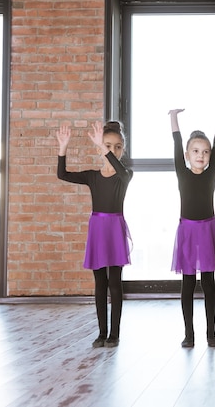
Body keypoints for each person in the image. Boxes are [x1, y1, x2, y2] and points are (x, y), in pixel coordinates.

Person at [56, 121, 133, 348]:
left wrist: (104, 149)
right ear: (99, 148)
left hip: (115, 230)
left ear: (123, 150)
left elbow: (119, 170)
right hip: (98, 230)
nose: (113, 150)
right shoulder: (92, 176)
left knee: (115, 283)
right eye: (108, 145)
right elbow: (62, 174)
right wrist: (63, 148)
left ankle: (114, 334)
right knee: (100, 283)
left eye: (118, 147)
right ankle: (102, 333)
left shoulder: (125, 175)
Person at [169, 107, 215, 348]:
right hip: (187, 231)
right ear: (187, 155)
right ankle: (188, 333)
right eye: (195, 151)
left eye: (205, 152)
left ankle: (211, 333)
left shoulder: (211, 172)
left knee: (209, 283)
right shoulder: (182, 172)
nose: (201, 155)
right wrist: (173, 118)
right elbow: (176, 142)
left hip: (206, 231)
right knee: (188, 284)